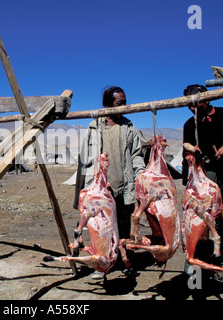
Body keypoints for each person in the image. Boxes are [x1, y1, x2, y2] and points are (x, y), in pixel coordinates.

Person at [75, 86, 146, 279]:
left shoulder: (129, 127)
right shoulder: (94, 127)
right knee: (101, 228)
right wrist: (92, 183)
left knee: (124, 228)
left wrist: (140, 175)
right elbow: (87, 158)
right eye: (119, 103)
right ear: (107, 105)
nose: (124, 106)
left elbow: (136, 155)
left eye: (125, 102)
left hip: (124, 186)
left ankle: (125, 261)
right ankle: (102, 264)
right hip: (101, 189)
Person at [182, 84, 223, 283]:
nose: (192, 108)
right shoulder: (190, 125)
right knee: (197, 220)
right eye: (188, 105)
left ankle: (221, 265)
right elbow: (186, 152)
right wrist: (190, 150)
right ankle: (194, 268)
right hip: (201, 177)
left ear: (207, 99)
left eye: (195, 103)